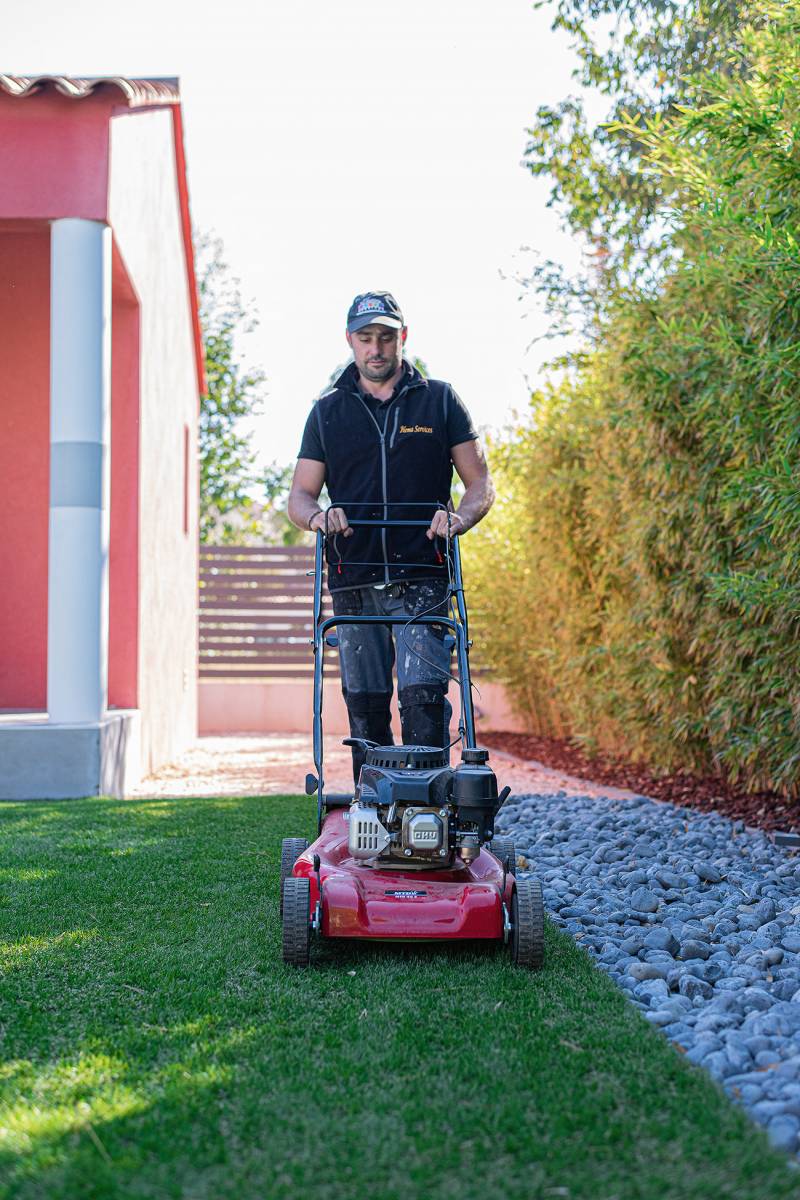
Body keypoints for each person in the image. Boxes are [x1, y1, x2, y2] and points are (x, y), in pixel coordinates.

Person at [288, 290, 494, 783]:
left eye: (385, 336)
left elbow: (480, 484)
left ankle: (434, 810)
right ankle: (374, 813)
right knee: (366, 706)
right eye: (365, 338)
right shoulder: (327, 412)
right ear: (350, 342)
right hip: (353, 576)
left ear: (402, 337)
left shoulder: (440, 401)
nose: (376, 347)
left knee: (423, 699)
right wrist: (317, 518)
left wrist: (458, 520)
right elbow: (300, 495)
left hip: (423, 574)